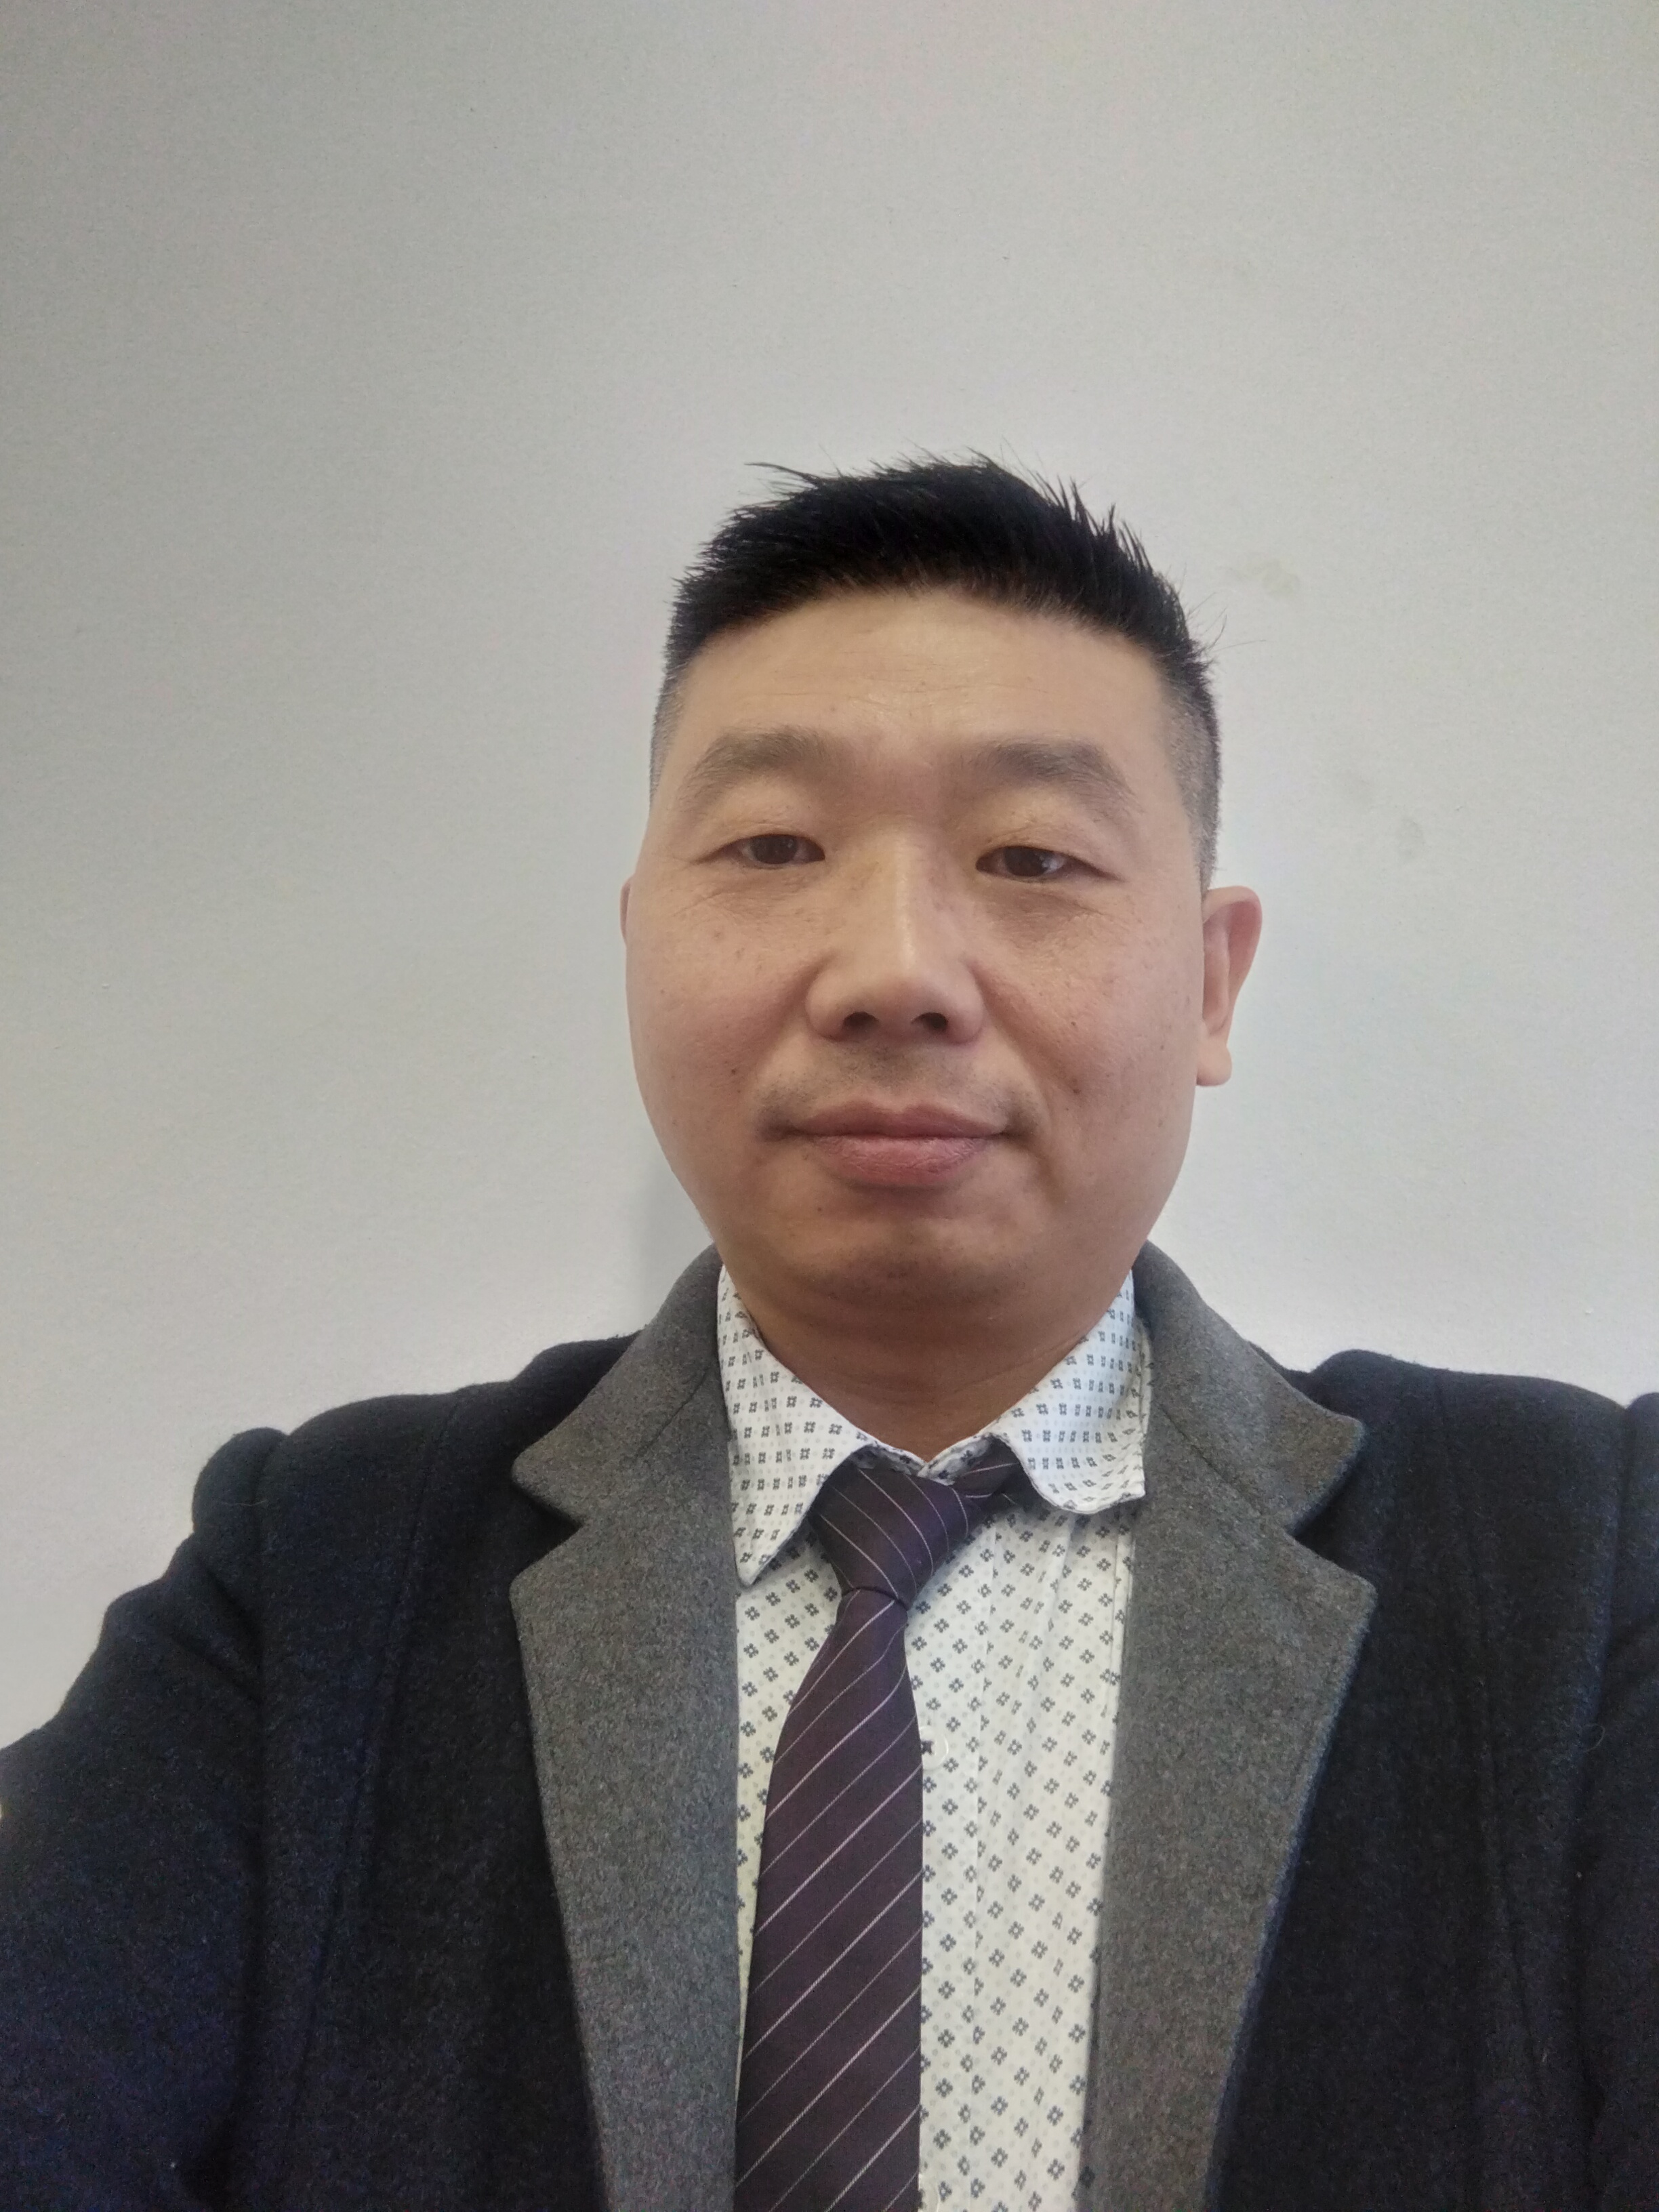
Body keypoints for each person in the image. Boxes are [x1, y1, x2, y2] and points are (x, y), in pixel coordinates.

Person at [0, 458, 1653, 2212]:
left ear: (1211, 980)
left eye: (1032, 857)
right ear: (641, 942)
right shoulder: (322, 1566)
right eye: (776, 848)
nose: (894, 971)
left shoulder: (1576, 1552)